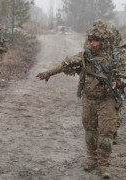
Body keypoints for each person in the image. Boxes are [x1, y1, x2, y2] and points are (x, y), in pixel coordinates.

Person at [36, 20, 126, 179]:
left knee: (106, 134)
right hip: (89, 100)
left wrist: (116, 83)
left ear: (104, 42)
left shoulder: (116, 58)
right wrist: (47, 73)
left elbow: (124, 76)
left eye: (96, 40)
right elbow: (65, 64)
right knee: (90, 132)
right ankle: (91, 160)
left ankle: (104, 165)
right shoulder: (85, 56)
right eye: (91, 40)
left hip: (108, 100)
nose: (93, 43)